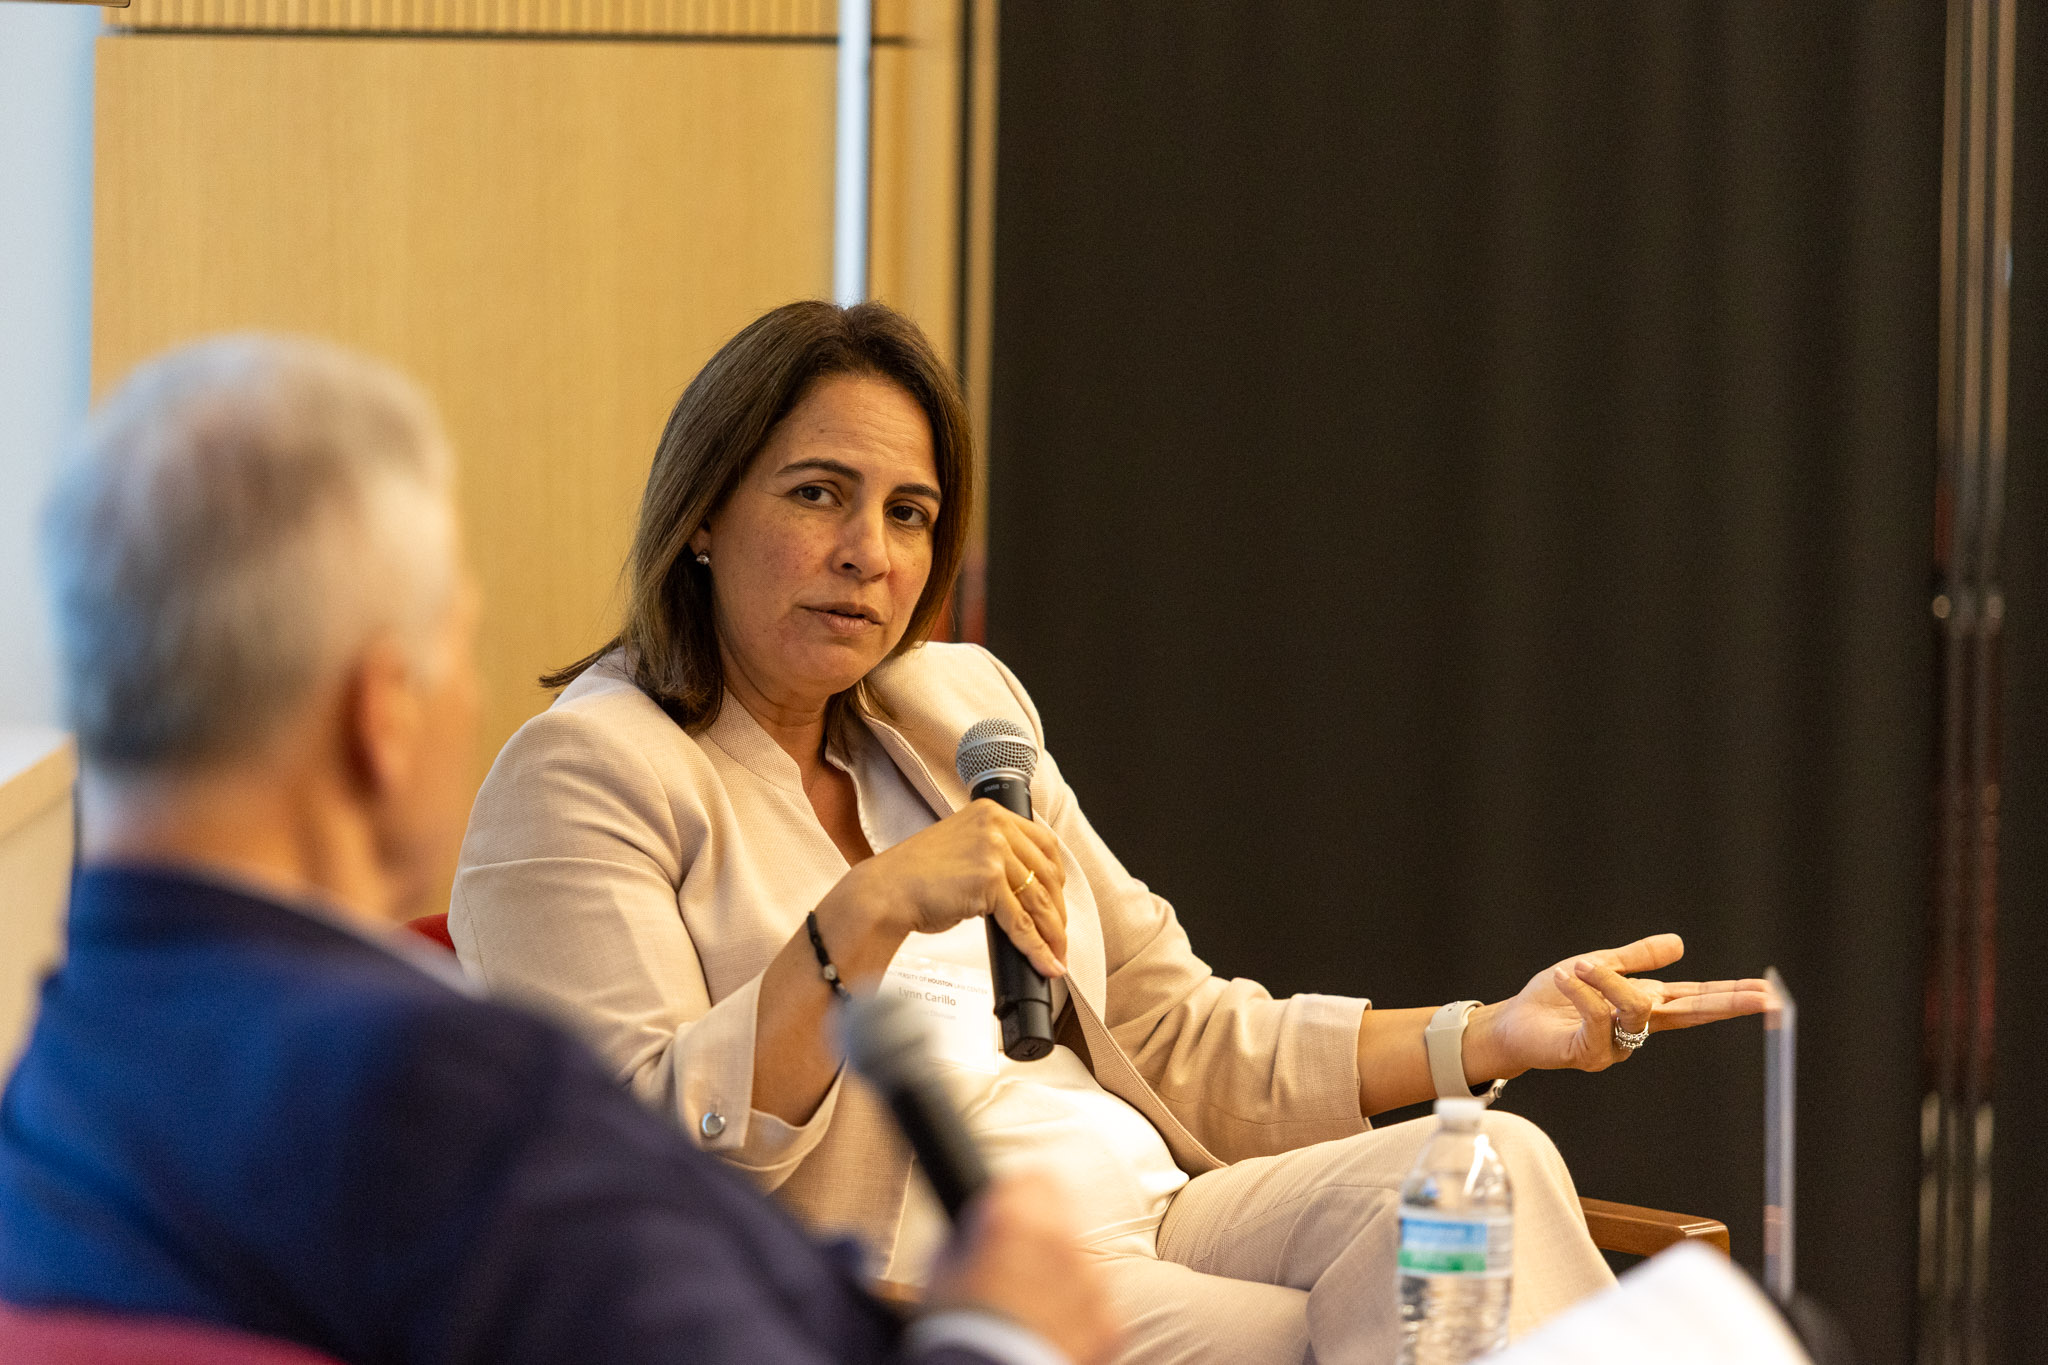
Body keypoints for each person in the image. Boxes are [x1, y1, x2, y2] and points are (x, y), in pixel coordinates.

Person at [451, 300, 1771, 1363]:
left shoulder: (953, 707)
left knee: (1482, 1167)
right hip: (943, 1285)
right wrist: (858, 918)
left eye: (908, 513)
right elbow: (623, 1175)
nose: (869, 552)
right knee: (1345, 1337)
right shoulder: (586, 771)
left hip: (1164, 1208)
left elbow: (1171, 1028)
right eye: (815, 494)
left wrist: (1490, 1035)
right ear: (701, 513)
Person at [0, 335, 1118, 1365]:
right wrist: (998, 1338)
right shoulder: (449, 1098)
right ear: (380, 716)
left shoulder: (57, 1073)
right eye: (460, 650)